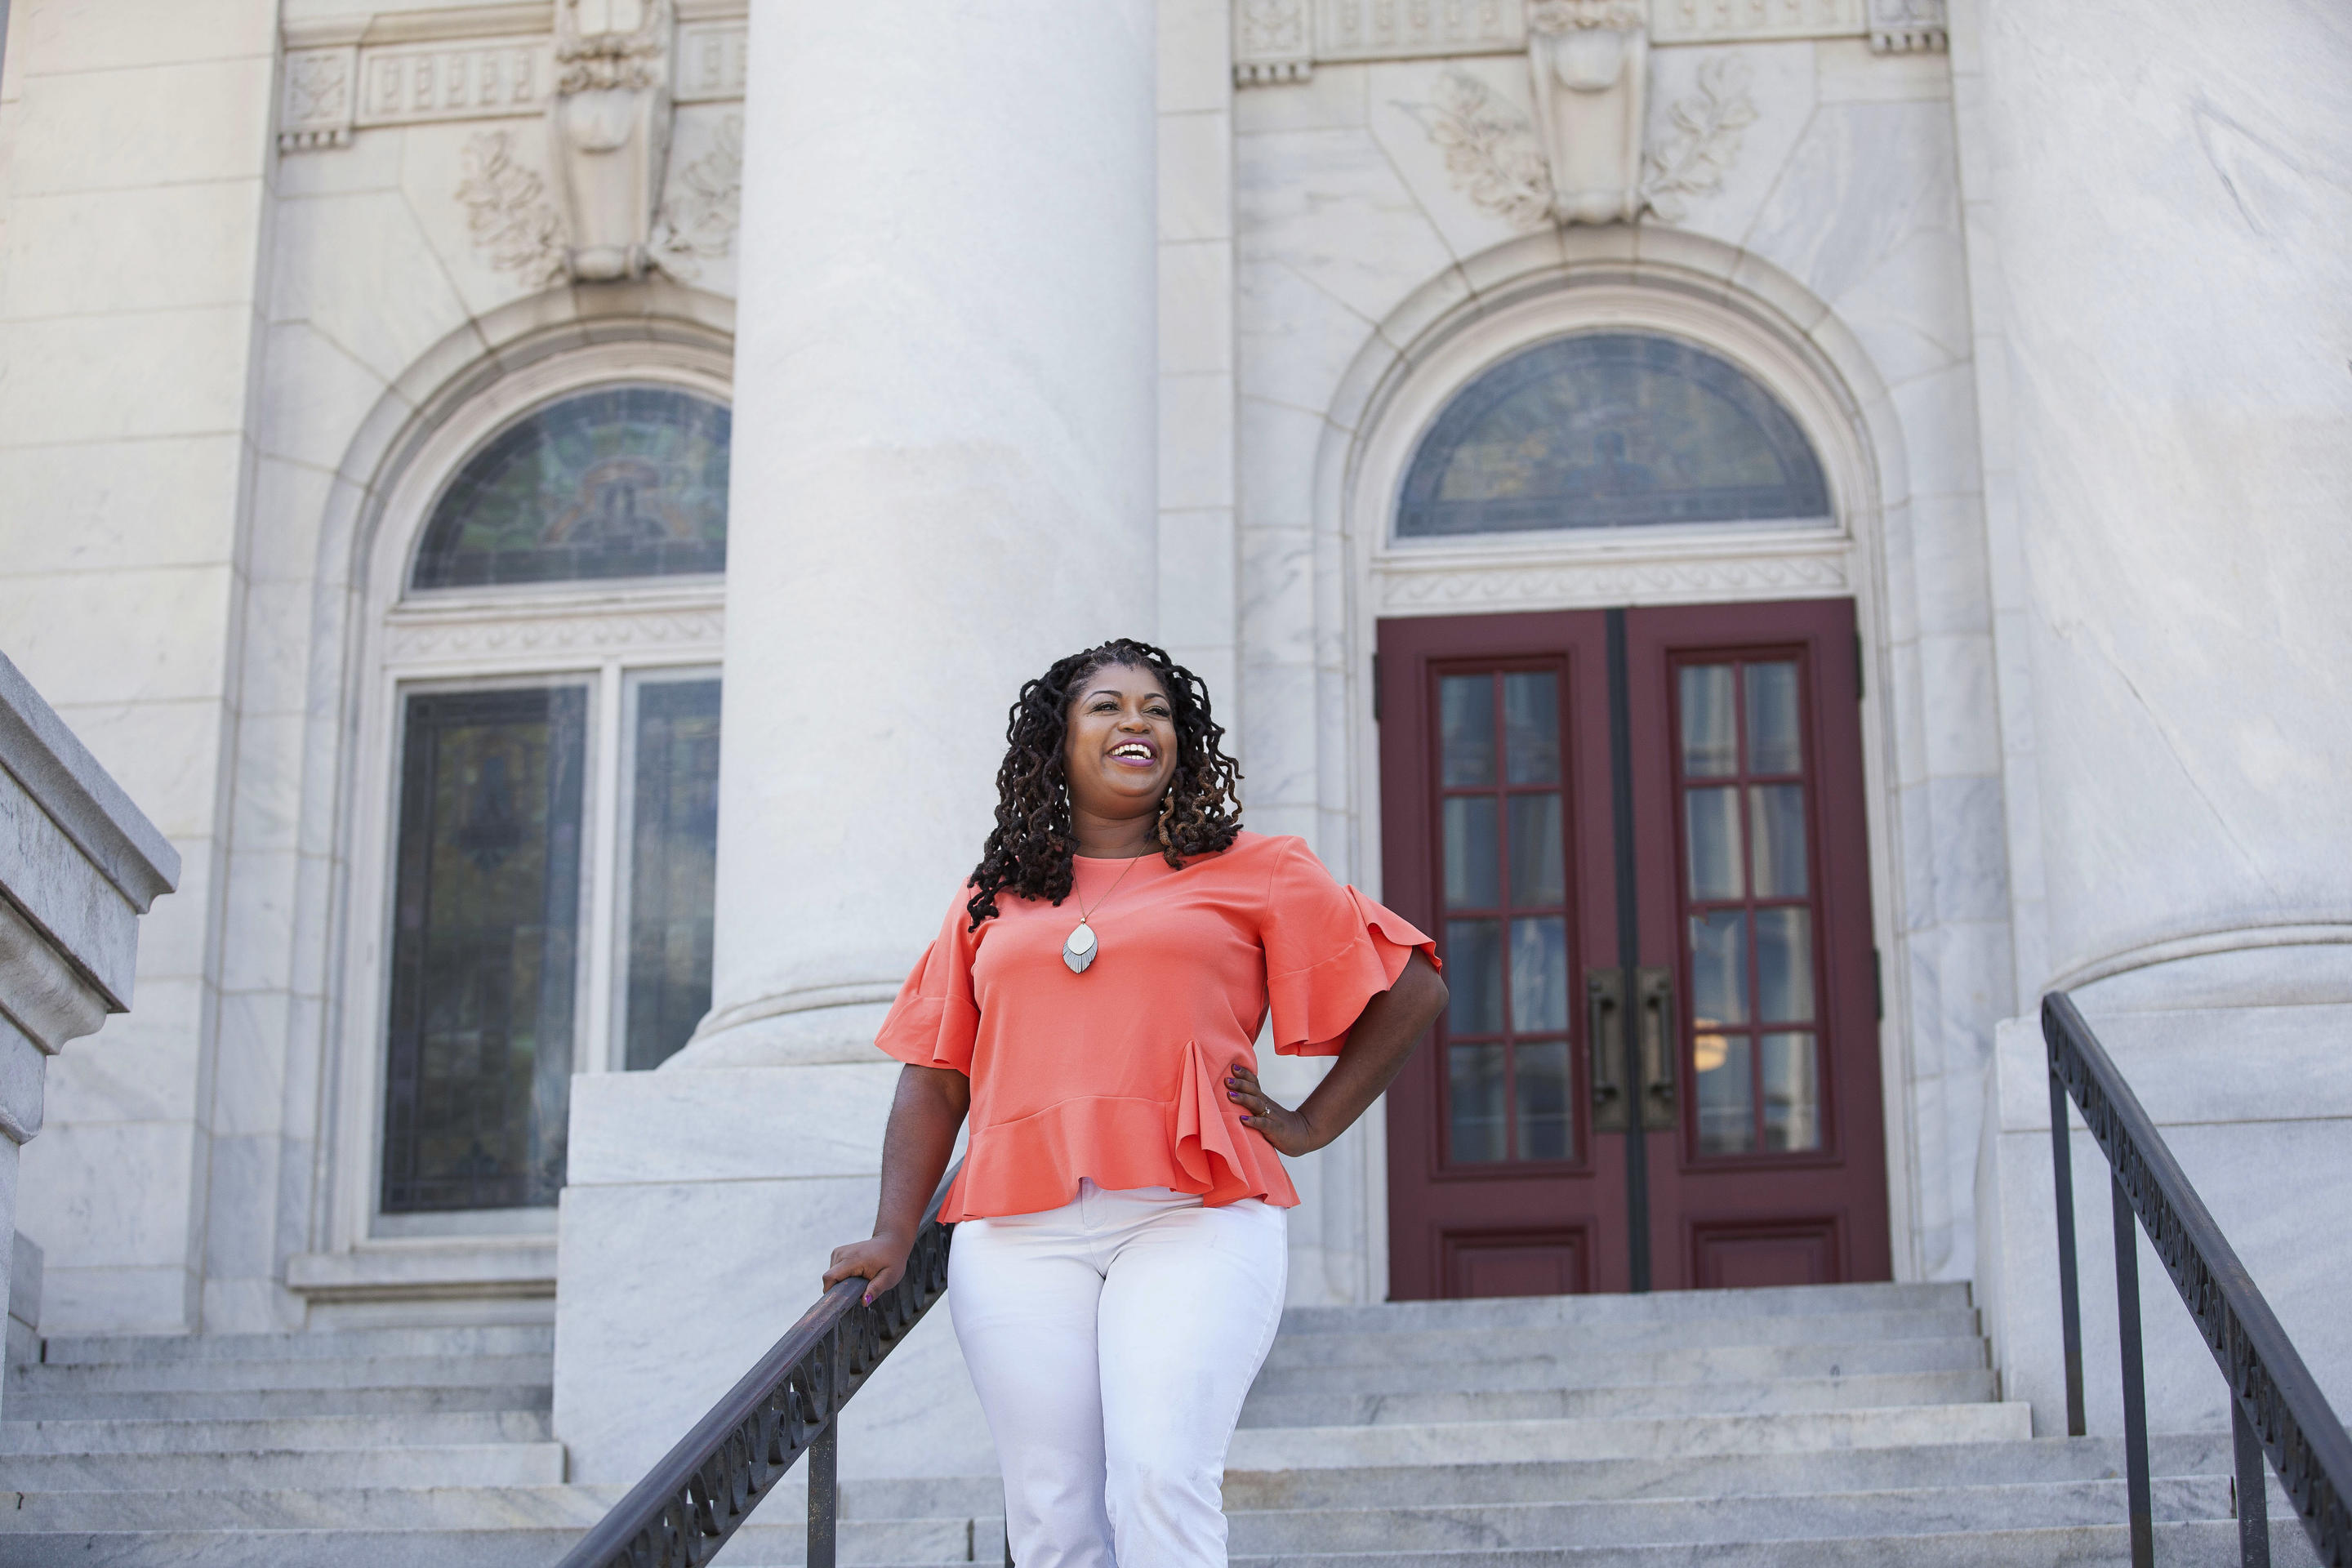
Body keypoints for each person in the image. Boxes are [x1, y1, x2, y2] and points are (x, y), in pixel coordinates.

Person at [823, 638, 1448, 1568]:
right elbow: (936, 1072)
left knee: (1160, 1475)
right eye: (1108, 706)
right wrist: (892, 1229)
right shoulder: (992, 898)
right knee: (1051, 1514)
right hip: (1016, 1230)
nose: (1137, 723)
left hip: (1195, 1213)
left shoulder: (1258, 867)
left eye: (1158, 710)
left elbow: (1413, 986)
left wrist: (1311, 1123)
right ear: (1058, 742)